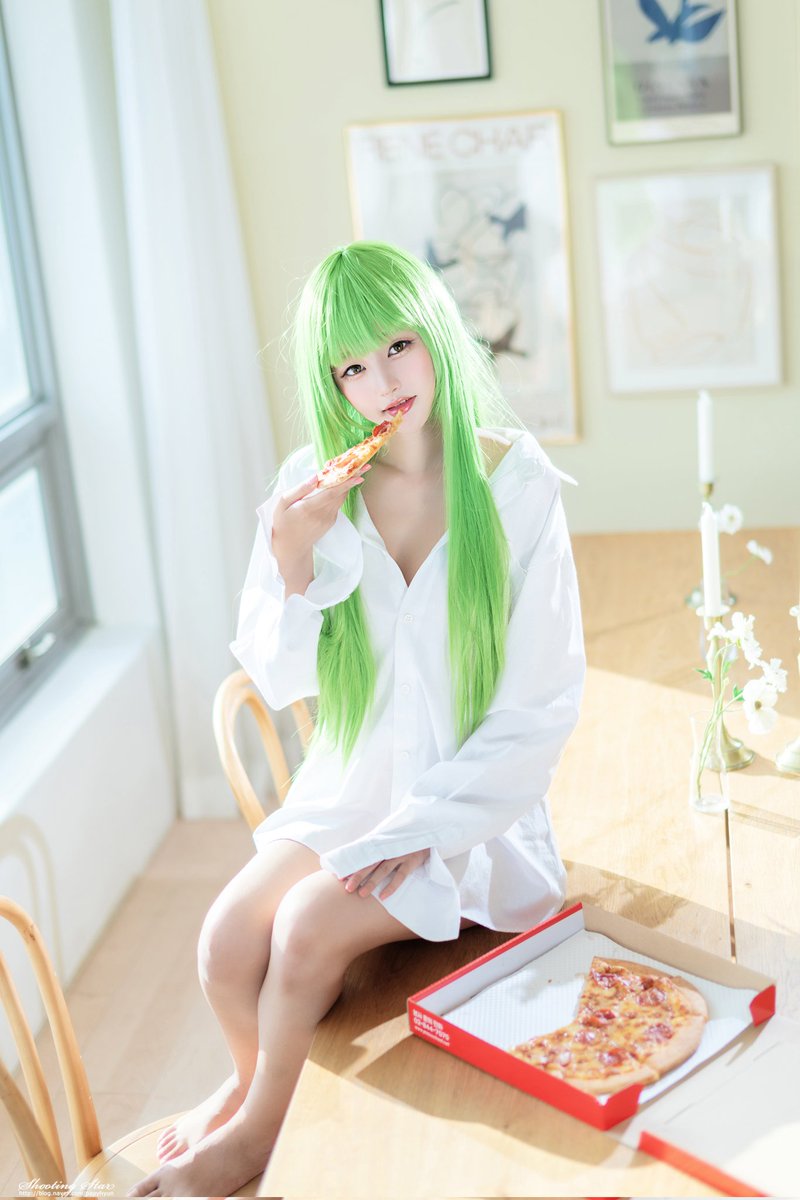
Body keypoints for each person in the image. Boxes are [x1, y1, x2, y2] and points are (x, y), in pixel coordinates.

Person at [129, 240, 585, 1198]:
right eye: (351, 368)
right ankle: (254, 1084)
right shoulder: (317, 482)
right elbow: (279, 674)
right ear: (329, 382)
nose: (382, 384)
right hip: (353, 788)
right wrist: (291, 554)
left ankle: (257, 1137)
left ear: (436, 337)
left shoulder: (517, 484)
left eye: (398, 347)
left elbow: (539, 709)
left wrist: (425, 828)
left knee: (303, 928)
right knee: (224, 941)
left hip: (467, 812)